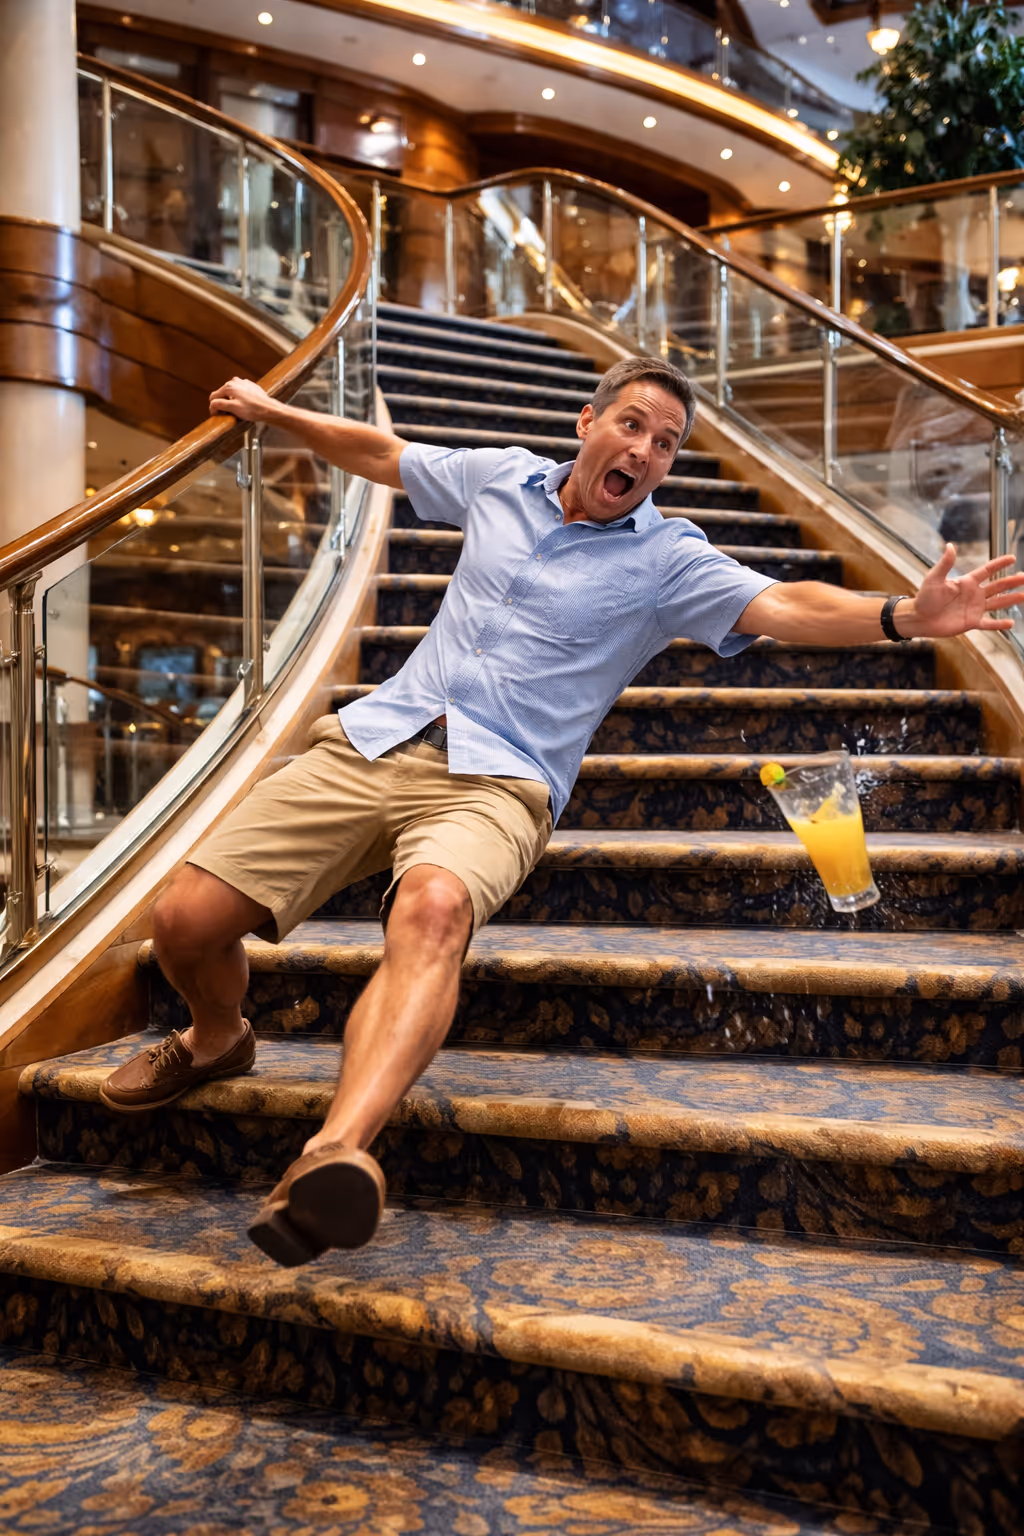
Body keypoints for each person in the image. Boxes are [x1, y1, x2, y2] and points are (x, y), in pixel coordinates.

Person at [99, 354, 1024, 1267]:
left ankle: (331, 1154)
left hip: (501, 782)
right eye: (633, 425)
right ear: (589, 422)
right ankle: (217, 1037)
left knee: (434, 910)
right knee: (184, 922)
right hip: (379, 736)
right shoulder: (501, 478)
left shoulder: (668, 559)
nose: (646, 450)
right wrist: (276, 413)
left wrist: (903, 615)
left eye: (667, 443)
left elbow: (783, 603)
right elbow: (385, 455)